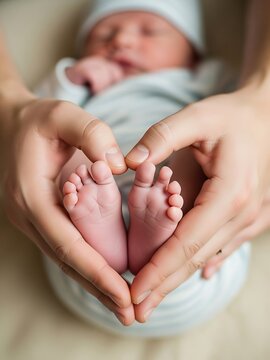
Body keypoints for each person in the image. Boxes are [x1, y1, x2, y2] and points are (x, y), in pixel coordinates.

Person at [1, 0, 270, 328]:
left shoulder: (202, 76)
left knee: (199, 157)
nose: (122, 41)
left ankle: (154, 234)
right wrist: (73, 78)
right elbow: (39, 115)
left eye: (150, 31)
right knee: (60, 151)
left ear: (193, 54)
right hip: (76, 256)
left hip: (204, 247)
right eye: (104, 35)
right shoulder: (84, 83)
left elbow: (245, 129)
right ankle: (111, 240)